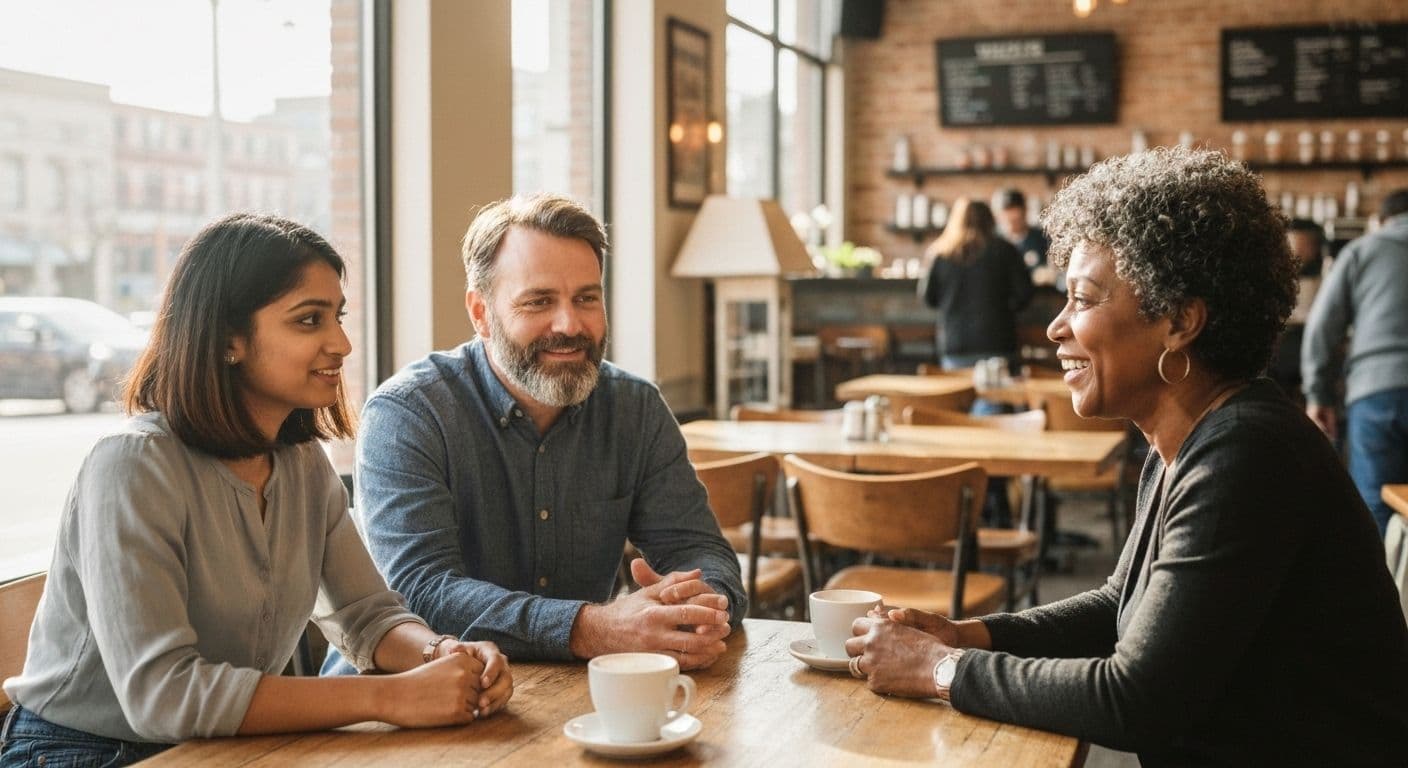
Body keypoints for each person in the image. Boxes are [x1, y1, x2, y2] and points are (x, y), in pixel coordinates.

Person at [847, 149, 1408, 766]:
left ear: (1179, 322)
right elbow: (1118, 605)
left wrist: (941, 669)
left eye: (1084, 300)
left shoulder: (1248, 453)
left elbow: (1136, 699)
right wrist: (965, 635)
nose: (1057, 327)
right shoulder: (1188, 440)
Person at [1, 214, 513, 767]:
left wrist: (444, 656)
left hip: (223, 745)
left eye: (337, 316)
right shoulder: (132, 466)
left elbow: (367, 616)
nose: (340, 343)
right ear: (228, 341)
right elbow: (163, 696)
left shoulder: (303, 463)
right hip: (81, 752)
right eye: (308, 320)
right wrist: (391, 697)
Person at [325, 193, 744, 676]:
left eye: (586, 298)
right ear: (480, 313)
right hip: (401, 702)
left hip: (570, 694)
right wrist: (593, 627)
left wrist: (698, 607)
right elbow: (421, 590)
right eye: (539, 301)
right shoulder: (409, 414)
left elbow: (700, 549)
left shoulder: (635, 408)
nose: (569, 324)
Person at [1303, 189, 1408, 537]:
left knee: (1375, 506)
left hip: (1377, 391)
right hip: (1376, 388)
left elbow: (1322, 328)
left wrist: (1318, 396)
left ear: (1380, 221)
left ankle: (1385, 591)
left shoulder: (1363, 250)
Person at [919, 198, 1034, 375]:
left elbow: (928, 298)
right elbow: (1025, 294)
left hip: (956, 344)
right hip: (998, 342)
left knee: (958, 400)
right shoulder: (1006, 250)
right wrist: (1004, 308)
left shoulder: (940, 254)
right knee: (1000, 400)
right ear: (990, 221)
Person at [1265, 218, 1327, 402]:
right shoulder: (1274, 280)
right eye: (1291, 245)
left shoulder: (1328, 278)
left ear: (1316, 247)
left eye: (1304, 245)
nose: (1296, 253)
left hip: (1313, 346)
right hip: (1280, 349)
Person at [992, 187, 1050, 274]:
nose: (1010, 216)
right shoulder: (993, 243)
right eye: (1005, 211)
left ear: (1024, 211)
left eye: (1013, 210)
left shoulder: (1042, 238)